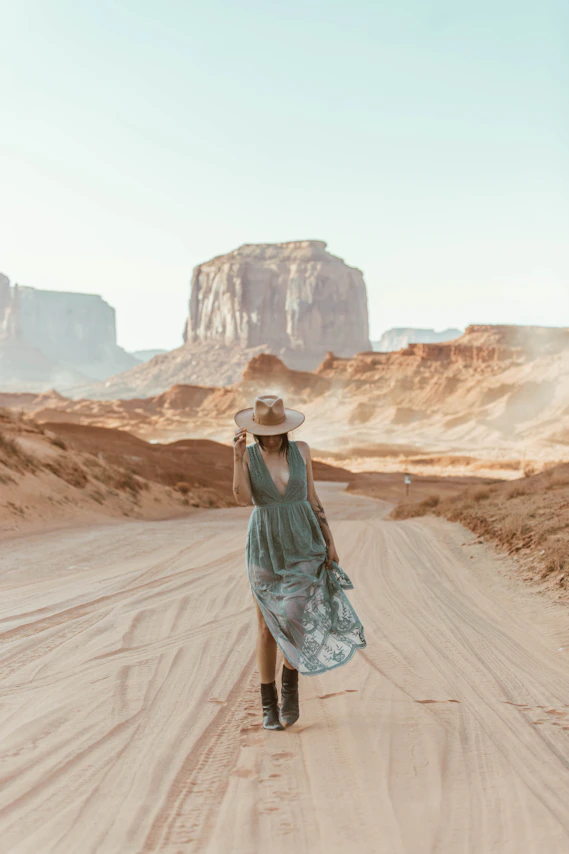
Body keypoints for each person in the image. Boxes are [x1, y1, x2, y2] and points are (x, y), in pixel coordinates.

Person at [232, 393, 366, 731]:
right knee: (265, 625)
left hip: (304, 541)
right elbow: (241, 498)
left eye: (279, 429)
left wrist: (330, 542)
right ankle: (268, 703)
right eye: (268, 430)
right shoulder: (248, 456)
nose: (274, 436)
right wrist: (236, 459)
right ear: (257, 429)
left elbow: (312, 497)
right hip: (265, 544)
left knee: (294, 616)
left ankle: (290, 687)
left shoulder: (301, 450)